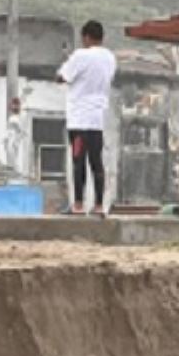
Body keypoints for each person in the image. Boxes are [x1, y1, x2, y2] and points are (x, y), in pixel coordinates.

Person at [58, 20, 117, 217]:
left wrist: (67, 61)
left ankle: (78, 204)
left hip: (79, 120)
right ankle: (100, 205)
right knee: (96, 162)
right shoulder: (110, 57)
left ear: (86, 37)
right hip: (97, 120)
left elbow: (62, 77)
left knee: (78, 162)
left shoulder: (80, 55)